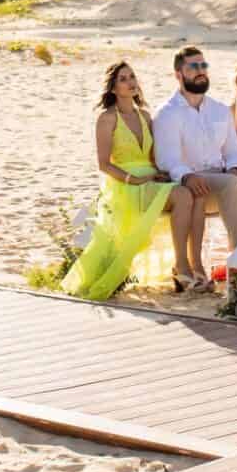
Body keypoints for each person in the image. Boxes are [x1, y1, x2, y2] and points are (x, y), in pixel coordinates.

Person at [152, 47, 237, 291]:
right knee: (230, 184)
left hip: (224, 180)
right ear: (178, 74)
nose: (200, 71)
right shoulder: (167, 113)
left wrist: (236, 168)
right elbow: (166, 159)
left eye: (203, 66)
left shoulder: (218, 110)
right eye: (193, 67)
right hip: (189, 183)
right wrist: (187, 176)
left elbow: (234, 152)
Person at [62, 62, 176, 301]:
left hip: (150, 179)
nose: (131, 82)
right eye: (123, 79)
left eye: (132, 76)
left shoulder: (145, 115)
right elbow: (103, 164)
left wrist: (159, 172)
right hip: (124, 183)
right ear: (113, 88)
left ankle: (182, 270)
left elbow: (154, 156)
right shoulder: (107, 119)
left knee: (184, 192)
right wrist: (134, 180)